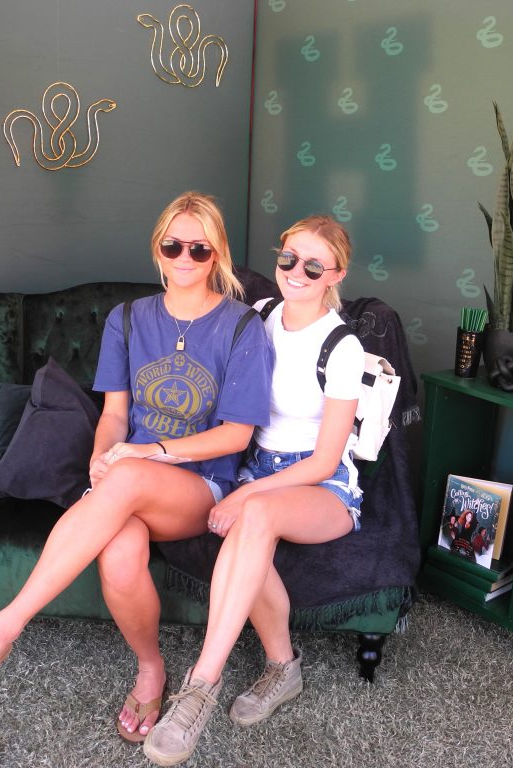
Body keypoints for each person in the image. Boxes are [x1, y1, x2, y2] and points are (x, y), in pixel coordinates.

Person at [0, 192, 274, 741]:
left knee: (129, 475)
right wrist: (99, 462)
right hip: (129, 481)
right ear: (157, 249)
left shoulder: (241, 327)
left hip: (199, 488)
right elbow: (114, 415)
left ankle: (2, 629)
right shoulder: (127, 319)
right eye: (173, 245)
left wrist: (144, 456)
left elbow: (237, 433)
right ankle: (151, 669)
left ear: (217, 253)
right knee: (119, 551)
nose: (184, 257)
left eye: (199, 249)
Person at [142, 215, 365, 766]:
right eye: (288, 258)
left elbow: (327, 457)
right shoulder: (257, 318)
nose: (296, 272)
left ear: (336, 272)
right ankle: (283, 667)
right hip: (256, 468)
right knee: (249, 518)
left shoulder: (343, 347)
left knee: (254, 513)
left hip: (322, 482)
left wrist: (244, 495)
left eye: (313, 265)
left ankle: (198, 689)